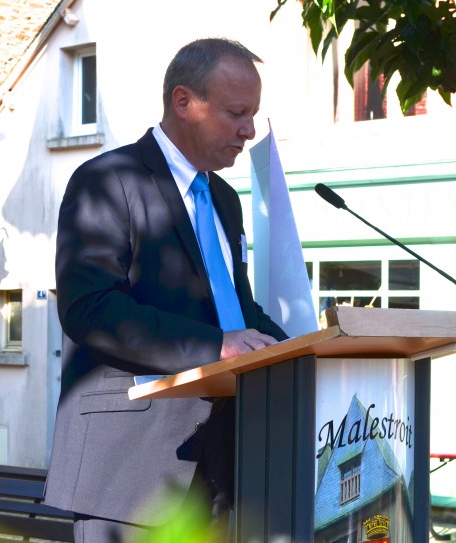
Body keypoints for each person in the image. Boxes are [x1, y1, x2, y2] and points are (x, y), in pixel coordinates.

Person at [44, 38, 289, 542]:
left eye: (253, 115)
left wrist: (304, 351)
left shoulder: (223, 198)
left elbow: (237, 310)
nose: (249, 130)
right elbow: (90, 308)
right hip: (129, 471)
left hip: (222, 461)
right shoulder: (106, 180)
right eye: (237, 113)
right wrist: (214, 347)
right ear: (184, 101)